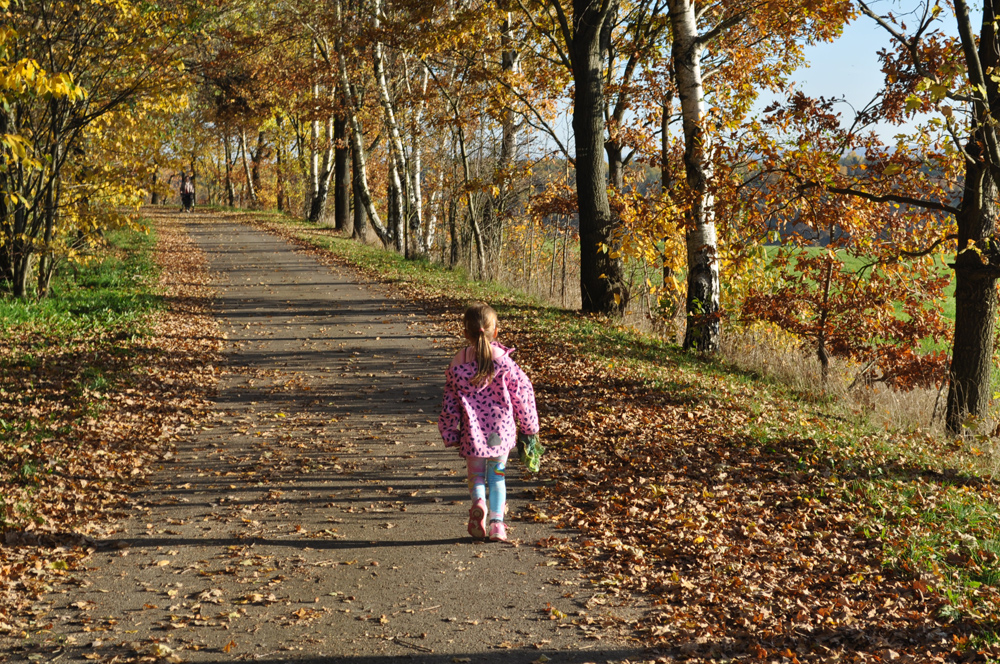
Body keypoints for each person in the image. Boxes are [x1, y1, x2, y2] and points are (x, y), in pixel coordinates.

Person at [438, 303, 539, 542]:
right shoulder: (505, 363)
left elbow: (449, 401)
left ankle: (479, 503)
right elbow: (523, 395)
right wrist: (529, 427)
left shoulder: (457, 363)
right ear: (495, 332)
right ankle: (497, 524)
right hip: (500, 434)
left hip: (472, 435)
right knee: (497, 476)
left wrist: (450, 431)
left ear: (466, 333)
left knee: (476, 477)